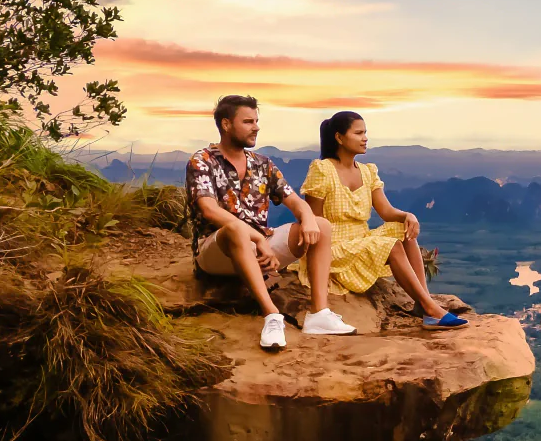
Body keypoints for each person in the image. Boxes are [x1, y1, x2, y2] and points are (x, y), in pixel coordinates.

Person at [187, 94, 354, 352]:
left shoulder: (263, 165)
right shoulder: (203, 161)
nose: (256, 127)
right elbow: (209, 210)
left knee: (321, 225)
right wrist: (255, 239)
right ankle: (272, 316)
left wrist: (308, 218)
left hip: (261, 247)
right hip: (217, 251)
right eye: (248, 121)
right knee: (234, 230)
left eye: (256, 121)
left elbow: (294, 201)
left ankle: (319, 314)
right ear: (226, 124)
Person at [293, 111, 468, 330]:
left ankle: (422, 303)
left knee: (400, 229)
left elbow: (386, 212)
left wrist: (407, 216)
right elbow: (314, 220)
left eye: (365, 132)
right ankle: (432, 310)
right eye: (358, 133)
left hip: (361, 239)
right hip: (335, 247)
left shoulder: (368, 172)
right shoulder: (323, 170)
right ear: (339, 137)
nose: (365, 138)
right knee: (391, 246)